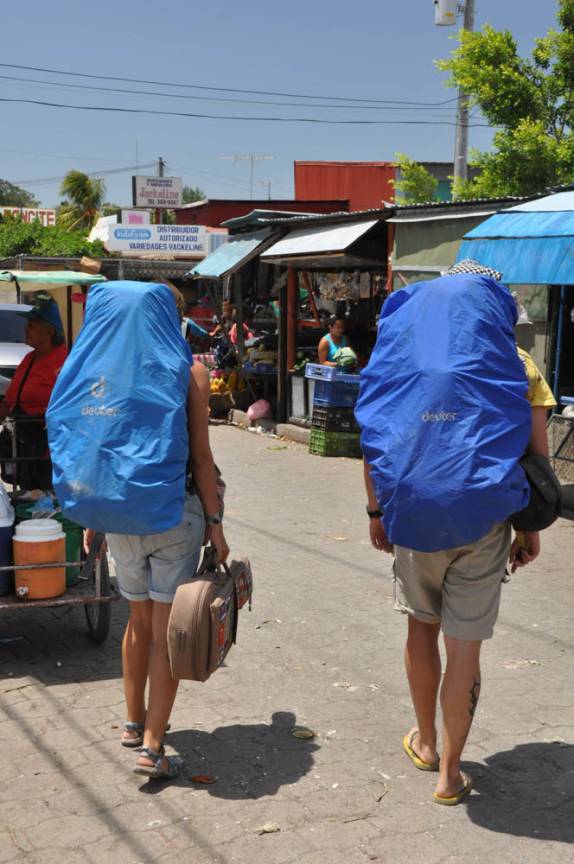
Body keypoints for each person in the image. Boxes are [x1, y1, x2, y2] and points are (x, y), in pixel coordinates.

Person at [361, 261, 555, 806]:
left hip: (414, 519)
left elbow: (376, 438)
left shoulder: (401, 357)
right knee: (463, 650)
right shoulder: (518, 367)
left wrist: (377, 513)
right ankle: (450, 775)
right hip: (485, 521)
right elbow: (536, 460)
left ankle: (425, 742)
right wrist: (528, 529)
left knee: (421, 629)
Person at [85, 285, 229, 781]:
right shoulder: (190, 372)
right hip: (175, 515)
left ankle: (131, 722)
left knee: (137, 622)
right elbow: (203, 457)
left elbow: (95, 448)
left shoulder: (107, 373)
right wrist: (216, 524)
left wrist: (91, 516)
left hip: (122, 516)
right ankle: (152, 745)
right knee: (169, 634)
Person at [0, 296, 67, 489]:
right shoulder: (30, 358)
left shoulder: (65, 360)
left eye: (32, 324)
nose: (25, 328)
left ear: (49, 331)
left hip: (49, 452)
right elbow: (11, 402)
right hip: (25, 447)